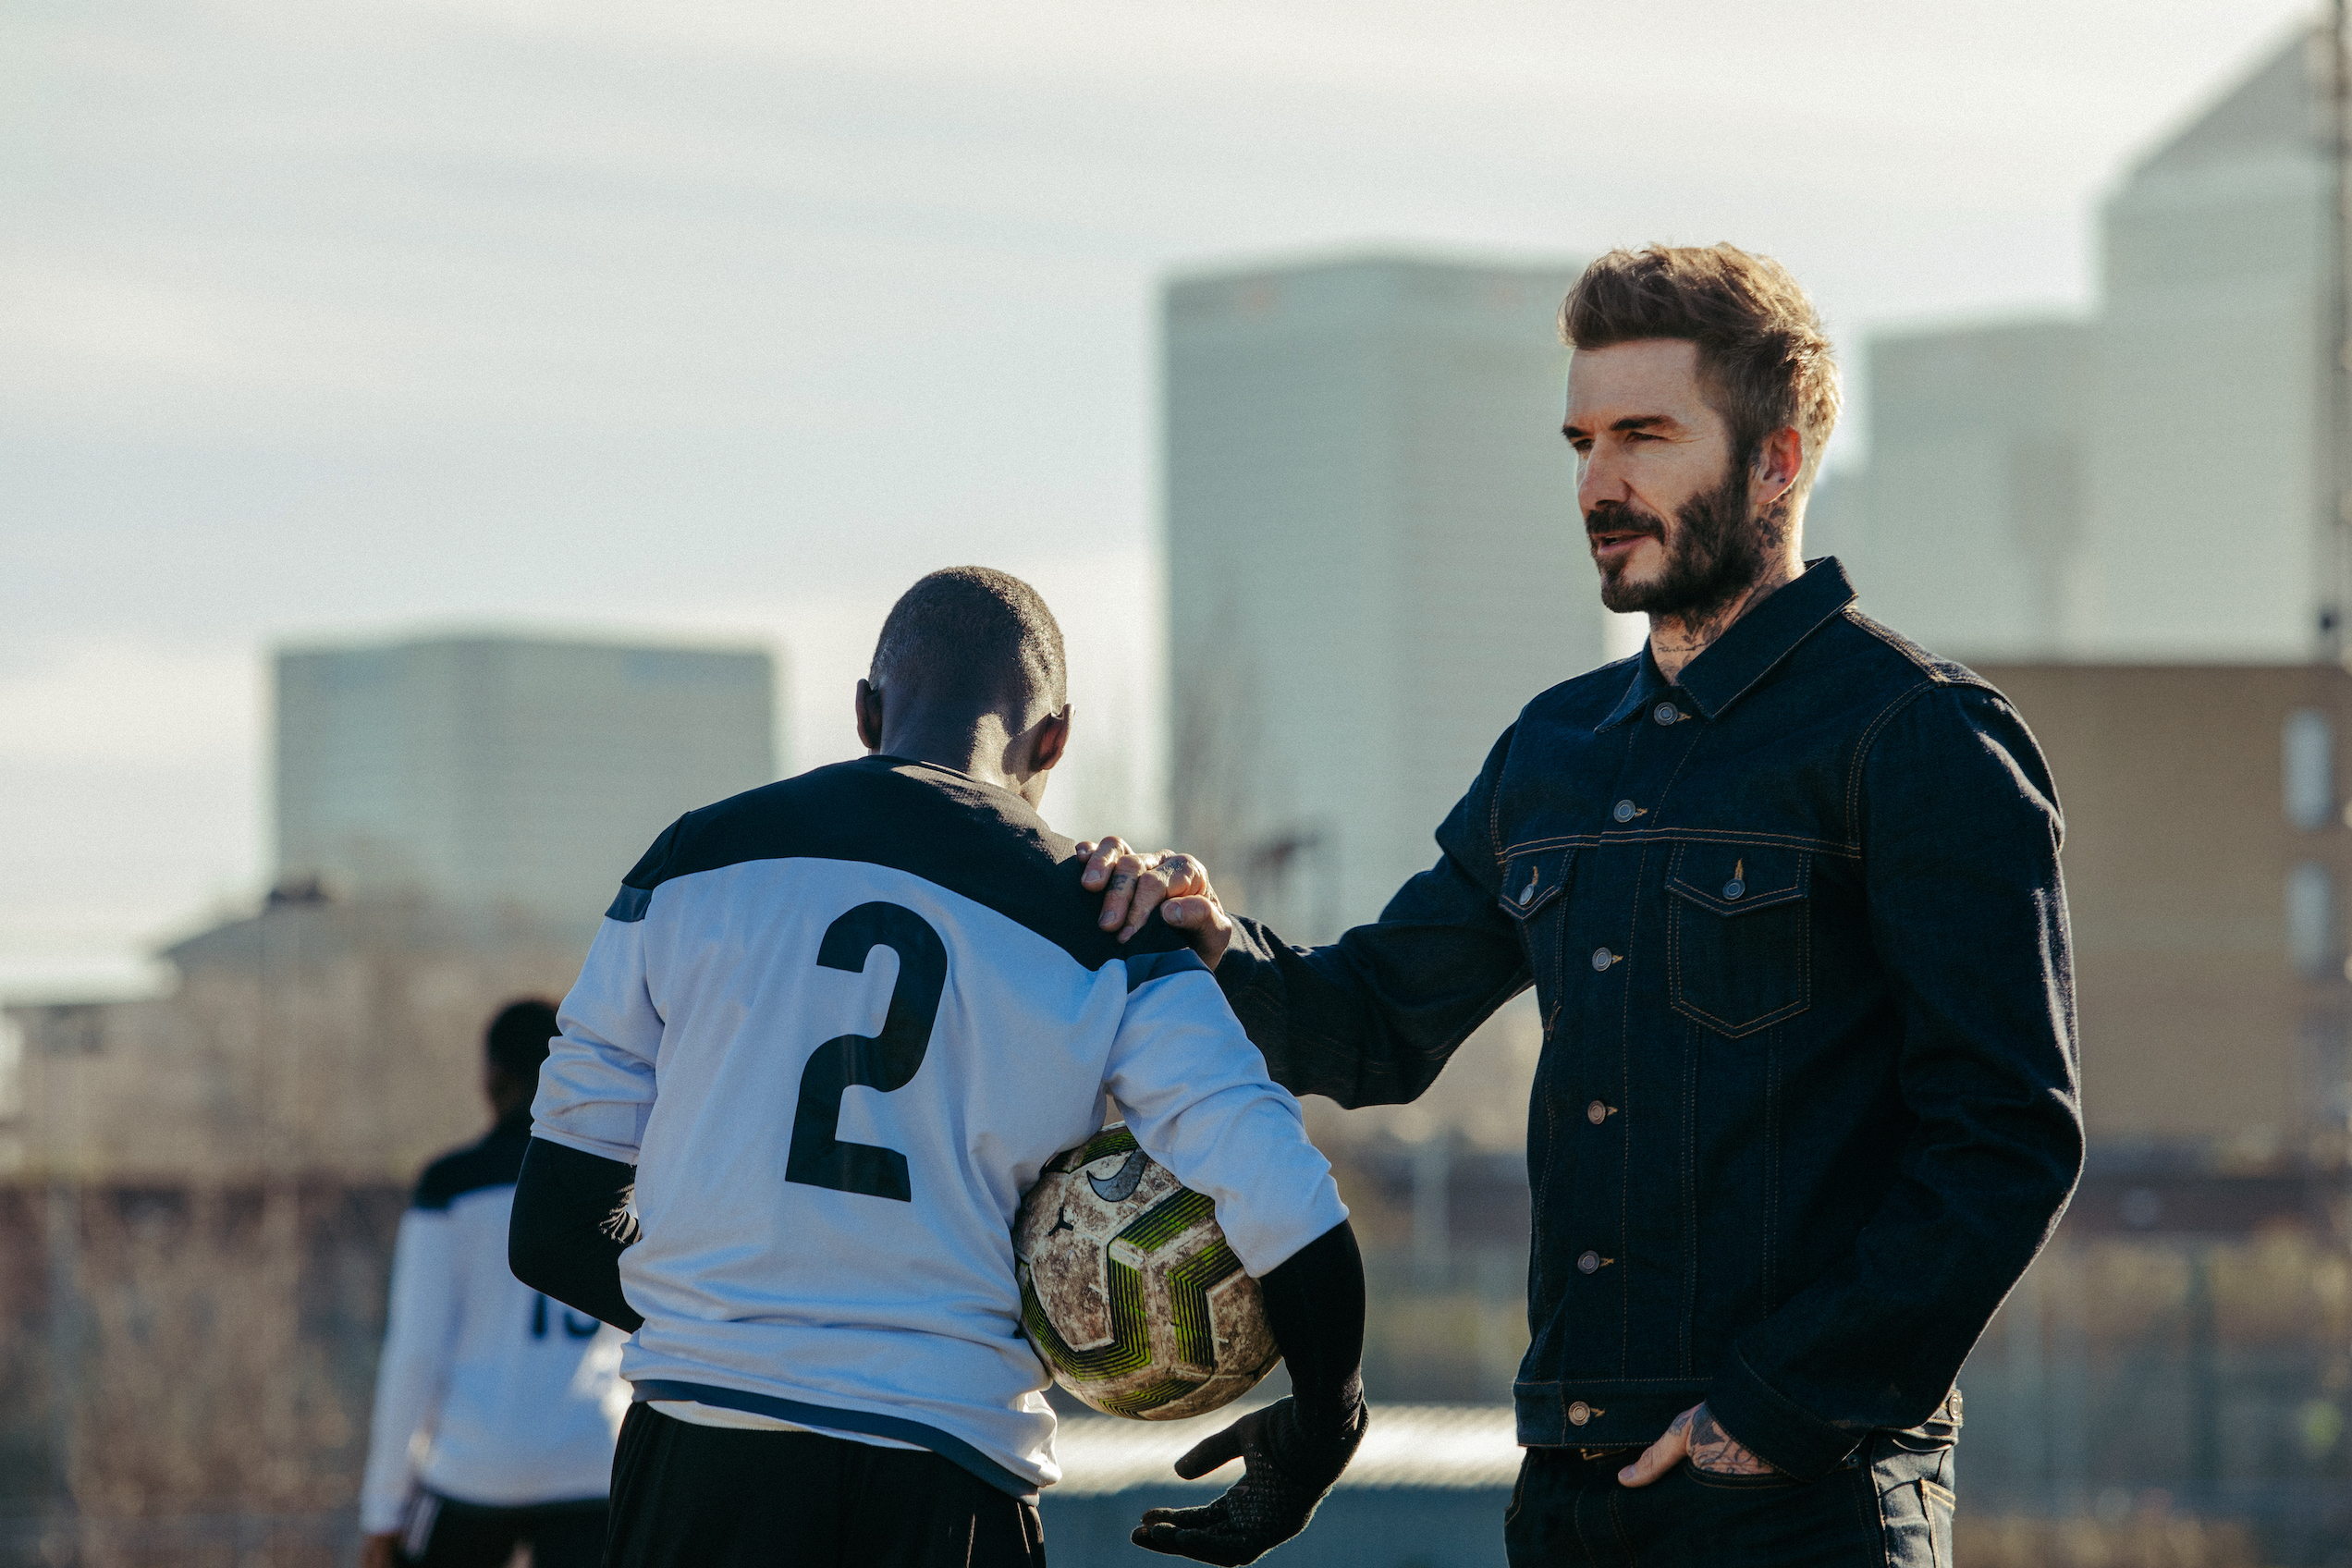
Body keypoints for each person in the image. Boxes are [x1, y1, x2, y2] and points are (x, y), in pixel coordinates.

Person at [1083, 245, 2083, 1566]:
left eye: (1646, 437)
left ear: (1777, 461)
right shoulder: (1554, 751)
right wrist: (1219, 949)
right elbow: (1376, 1022)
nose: (1598, 484)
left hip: (1799, 1501)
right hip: (1566, 1494)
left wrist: (1773, 1412)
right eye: (1582, 441)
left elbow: (2009, 1137)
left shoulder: (1917, 739)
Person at [508, 566, 1371, 1568]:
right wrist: (1321, 1428)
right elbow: (1291, 1202)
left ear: (867, 709)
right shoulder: (1110, 924)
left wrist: (743, 1318)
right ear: (1053, 741)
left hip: (704, 1464)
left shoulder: (692, 862)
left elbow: (551, 1230)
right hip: (946, 1467)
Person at [360, 998, 627, 1568]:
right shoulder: (620, 1179)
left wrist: (383, 1512)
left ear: (491, 1076)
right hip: (591, 1461)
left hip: (473, 1468)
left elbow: (415, 1353)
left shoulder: (451, 1186)